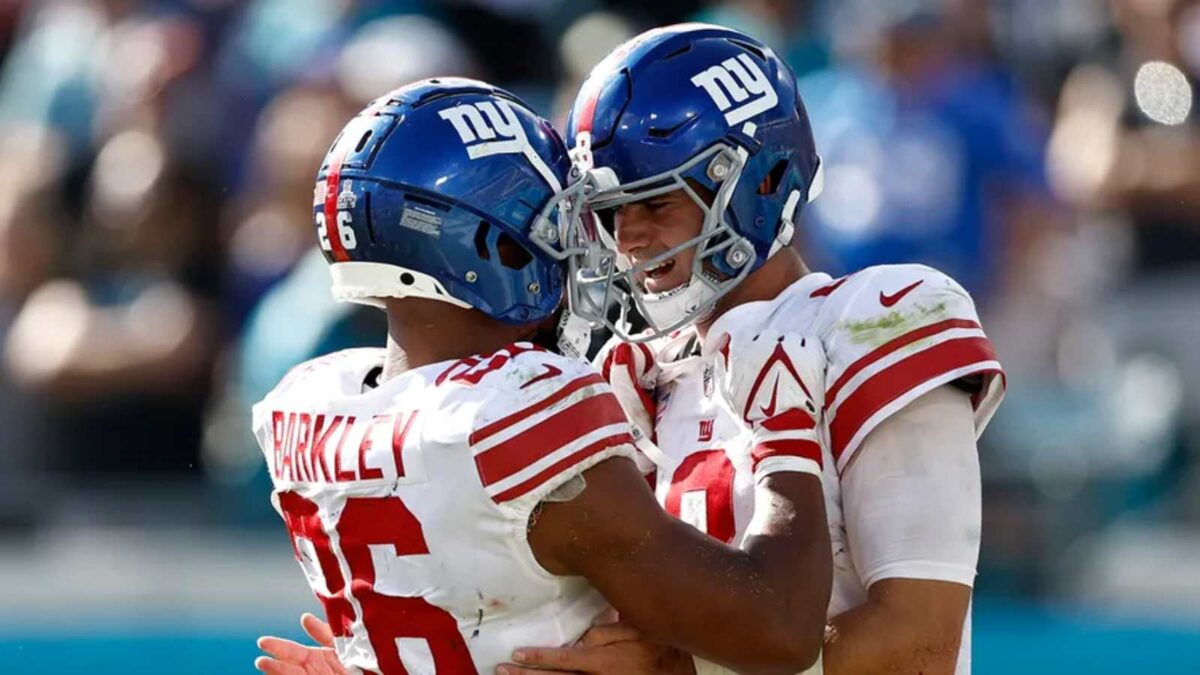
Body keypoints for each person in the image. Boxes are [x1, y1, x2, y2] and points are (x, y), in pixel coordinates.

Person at [250, 77, 830, 675]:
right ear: (491, 244)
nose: (591, 247)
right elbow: (779, 631)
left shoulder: (309, 405)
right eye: (561, 223)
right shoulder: (519, 410)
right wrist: (785, 427)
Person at [502, 23, 1006, 675]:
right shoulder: (642, 372)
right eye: (609, 213)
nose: (627, 239)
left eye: (653, 202)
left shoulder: (879, 317)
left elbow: (920, 644)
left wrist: (674, 670)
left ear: (757, 185)